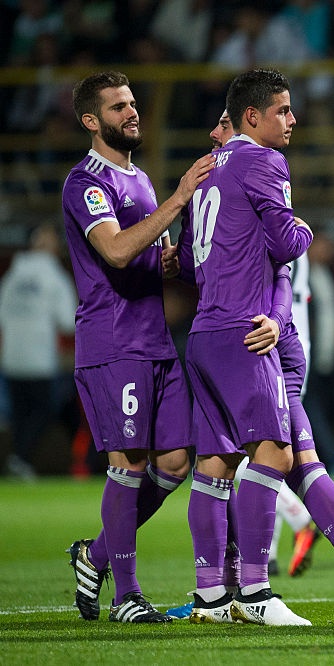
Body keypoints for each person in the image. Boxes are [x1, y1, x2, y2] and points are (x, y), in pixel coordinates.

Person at [61, 70, 215, 623]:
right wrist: (178, 199)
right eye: (118, 107)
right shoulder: (86, 184)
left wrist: (171, 261)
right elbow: (118, 252)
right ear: (91, 121)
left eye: (132, 104)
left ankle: (94, 554)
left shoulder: (141, 180)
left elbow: (152, 256)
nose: (132, 113)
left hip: (154, 340)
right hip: (113, 342)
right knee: (128, 464)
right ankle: (126, 594)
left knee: (174, 461)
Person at [177, 68, 314, 627]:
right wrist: (302, 229)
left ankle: (210, 597)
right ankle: (256, 595)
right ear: (251, 117)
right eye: (282, 110)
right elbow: (288, 241)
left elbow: (186, 262)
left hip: (204, 332)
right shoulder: (264, 161)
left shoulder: (205, 171)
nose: (292, 119)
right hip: (244, 329)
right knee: (276, 453)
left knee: (212, 465)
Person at [207, 108, 320, 580]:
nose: (214, 134)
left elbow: (286, 255)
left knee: (263, 453)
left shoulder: (253, 181)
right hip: (276, 330)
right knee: (264, 452)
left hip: (269, 333)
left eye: (223, 125)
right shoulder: (249, 196)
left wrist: (274, 321)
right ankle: (263, 555)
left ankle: (267, 555)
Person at [0, 223, 76, 479]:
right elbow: (67, 320)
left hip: (12, 356)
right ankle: (20, 459)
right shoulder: (54, 276)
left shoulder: (13, 274)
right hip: (40, 357)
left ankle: (18, 461)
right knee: (44, 410)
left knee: (20, 414)